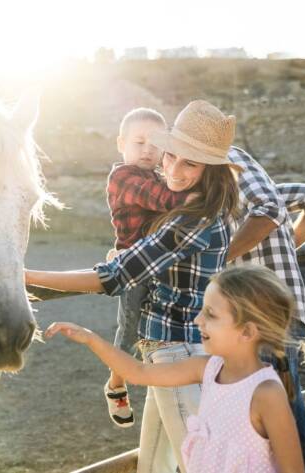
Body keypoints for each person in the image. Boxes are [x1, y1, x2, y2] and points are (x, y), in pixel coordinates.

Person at [26, 99, 241, 473]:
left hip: (176, 350)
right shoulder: (207, 205)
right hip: (169, 349)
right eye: (171, 155)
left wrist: (26, 276)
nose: (172, 167)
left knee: (203, 465)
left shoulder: (196, 219)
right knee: (155, 464)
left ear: (211, 169)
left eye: (189, 162)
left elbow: (113, 277)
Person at [45, 265, 305, 473]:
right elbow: (140, 372)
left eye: (210, 315)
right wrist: (91, 338)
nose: (197, 320)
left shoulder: (266, 393)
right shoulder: (208, 369)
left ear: (247, 331)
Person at [227, 146, 305, 473]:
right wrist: (289, 241)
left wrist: (225, 256)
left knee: (280, 426)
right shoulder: (269, 195)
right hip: (269, 314)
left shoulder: (235, 182)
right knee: (283, 417)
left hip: (266, 315)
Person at [102, 108, 195, 428]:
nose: (147, 150)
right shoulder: (124, 177)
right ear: (121, 144)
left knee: (162, 332)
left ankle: (168, 384)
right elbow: (166, 200)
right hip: (134, 268)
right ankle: (115, 384)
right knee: (129, 328)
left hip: (163, 266)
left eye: (156, 144)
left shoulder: (159, 174)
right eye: (139, 142)